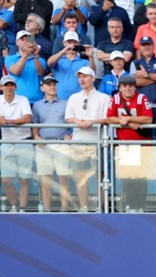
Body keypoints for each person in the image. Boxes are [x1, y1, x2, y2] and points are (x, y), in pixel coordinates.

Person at [64, 66, 111, 212]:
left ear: (92, 78)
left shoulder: (104, 97)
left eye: (85, 76)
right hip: (78, 141)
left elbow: (107, 118)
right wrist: (78, 122)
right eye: (80, 77)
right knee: (80, 176)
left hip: (98, 142)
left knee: (100, 176)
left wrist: (91, 122)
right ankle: (84, 207)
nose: (82, 79)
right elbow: (68, 117)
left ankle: (101, 207)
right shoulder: (73, 97)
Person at [105, 74, 152, 211]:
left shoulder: (141, 98)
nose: (128, 88)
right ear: (119, 88)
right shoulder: (115, 99)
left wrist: (129, 120)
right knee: (127, 177)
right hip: (126, 145)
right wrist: (122, 121)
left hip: (141, 144)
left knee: (141, 177)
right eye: (125, 86)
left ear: (135, 87)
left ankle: (141, 206)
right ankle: (129, 205)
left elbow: (148, 119)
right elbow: (109, 119)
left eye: (131, 86)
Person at [31, 75, 74, 212]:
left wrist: (71, 134)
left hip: (61, 144)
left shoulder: (65, 103)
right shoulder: (37, 105)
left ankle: (64, 210)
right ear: (42, 88)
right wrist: (36, 137)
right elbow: (34, 125)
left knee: (63, 178)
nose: (53, 87)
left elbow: (71, 122)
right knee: (46, 180)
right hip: (43, 145)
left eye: (54, 84)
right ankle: (47, 211)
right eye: (49, 85)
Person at [0, 75, 34, 212]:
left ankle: (22, 208)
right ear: (1, 87)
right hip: (7, 143)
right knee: (6, 180)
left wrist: (9, 122)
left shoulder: (23, 99)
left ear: (15, 87)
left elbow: (28, 117)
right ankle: (14, 205)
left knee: (24, 179)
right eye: (6, 85)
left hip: (24, 141)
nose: (9, 87)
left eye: (11, 85)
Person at [48, 31, 96, 101]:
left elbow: (92, 73)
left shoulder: (84, 62)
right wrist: (63, 51)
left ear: (78, 44)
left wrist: (91, 57)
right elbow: (49, 63)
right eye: (69, 42)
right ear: (64, 43)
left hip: (79, 100)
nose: (71, 45)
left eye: (74, 42)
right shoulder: (59, 60)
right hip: (59, 100)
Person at [7, 29, 48, 103]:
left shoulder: (40, 59)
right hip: (17, 100)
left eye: (28, 39)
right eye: (22, 39)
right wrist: (26, 54)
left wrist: (35, 55)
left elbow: (40, 73)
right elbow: (16, 71)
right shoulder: (10, 58)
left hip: (36, 100)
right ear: (17, 42)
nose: (26, 41)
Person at [132, 36, 156, 113]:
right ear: (140, 48)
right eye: (144, 45)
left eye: (149, 45)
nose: (146, 47)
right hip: (141, 106)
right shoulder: (136, 63)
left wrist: (146, 75)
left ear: (153, 46)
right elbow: (135, 82)